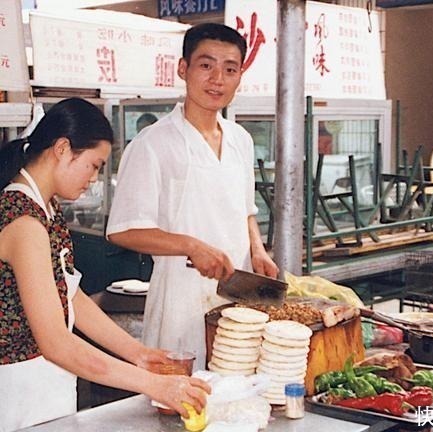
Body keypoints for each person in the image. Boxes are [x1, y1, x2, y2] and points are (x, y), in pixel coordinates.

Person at [0, 98, 210, 432]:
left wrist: (138, 353)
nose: (94, 179)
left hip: (47, 392)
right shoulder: (23, 222)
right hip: (20, 399)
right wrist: (154, 385)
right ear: (63, 149)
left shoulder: (46, 210)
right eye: (94, 165)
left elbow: (72, 298)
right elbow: (56, 342)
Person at [106, 23, 278, 370]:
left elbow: (245, 210)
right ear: (183, 69)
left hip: (237, 303)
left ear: (239, 77)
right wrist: (191, 246)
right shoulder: (153, 143)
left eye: (230, 69)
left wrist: (257, 250)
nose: (218, 79)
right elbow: (123, 230)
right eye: (206, 65)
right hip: (179, 304)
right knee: (181, 409)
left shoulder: (240, 139)